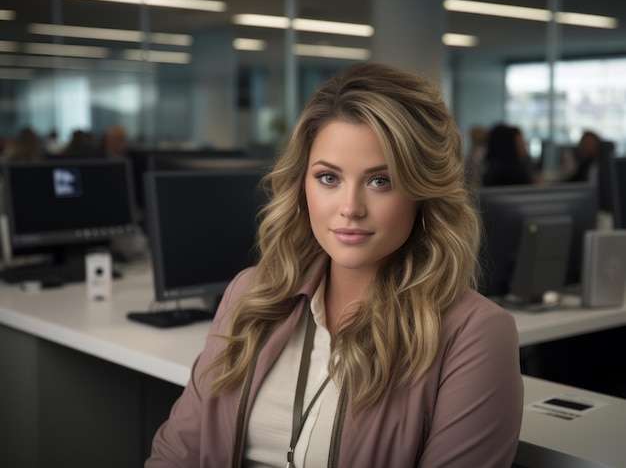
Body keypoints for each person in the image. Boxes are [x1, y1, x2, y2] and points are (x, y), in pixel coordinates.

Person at [146, 62, 524, 467]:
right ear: (302, 184)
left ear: (423, 194)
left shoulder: (473, 334)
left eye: (381, 181)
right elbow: (176, 452)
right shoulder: (250, 293)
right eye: (329, 178)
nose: (350, 209)